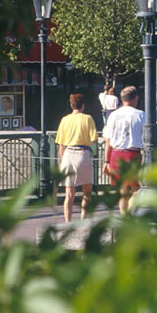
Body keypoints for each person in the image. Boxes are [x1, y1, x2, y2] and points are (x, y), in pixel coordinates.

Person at [55, 93, 98, 222]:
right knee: (87, 193)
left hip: (68, 154)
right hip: (83, 153)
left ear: (71, 105)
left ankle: (68, 221)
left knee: (69, 194)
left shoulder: (65, 120)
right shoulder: (88, 118)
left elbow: (61, 145)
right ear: (83, 105)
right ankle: (83, 220)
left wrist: (61, 162)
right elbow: (94, 139)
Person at [103, 85, 144, 214]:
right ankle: (130, 215)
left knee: (122, 192)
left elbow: (108, 141)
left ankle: (123, 216)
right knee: (136, 190)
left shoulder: (114, 115)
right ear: (135, 98)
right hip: (133, 154)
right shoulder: (141, 115)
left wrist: (106, 161)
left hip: (116, 154)